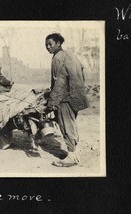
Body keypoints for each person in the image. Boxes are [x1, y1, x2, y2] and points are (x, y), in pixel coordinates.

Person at [45, 33, 89, 166]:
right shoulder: (69, 55)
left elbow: (59, 82)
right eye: (46, 45)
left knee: (66, 126)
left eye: (50, 44)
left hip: (64, 99)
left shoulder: (57, 58)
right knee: (71, 124)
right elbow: (81, 72)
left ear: (58, 43)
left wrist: (51, 103)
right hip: (74, 97)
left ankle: (72, 157)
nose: (48, 47)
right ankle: (75, 152)